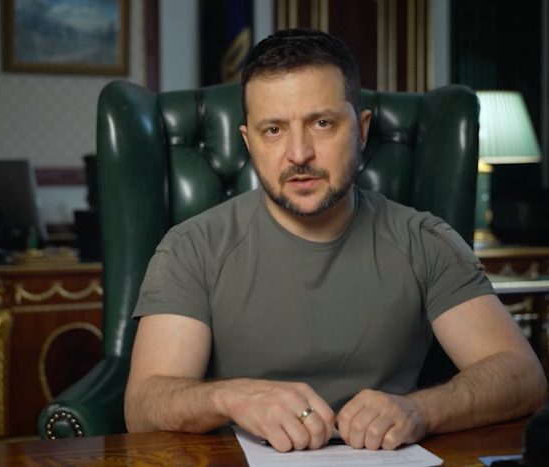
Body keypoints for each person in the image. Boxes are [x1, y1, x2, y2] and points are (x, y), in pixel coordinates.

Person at [123, 28, 546, 453]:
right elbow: (143, 405)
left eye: (321, 123)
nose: (299, 154)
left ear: (361, 130)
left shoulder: (425, 241)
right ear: (249, 142)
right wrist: (230, 397)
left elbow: (523, 377)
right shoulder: (191, 247)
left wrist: (420, 410)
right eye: (274, 130)